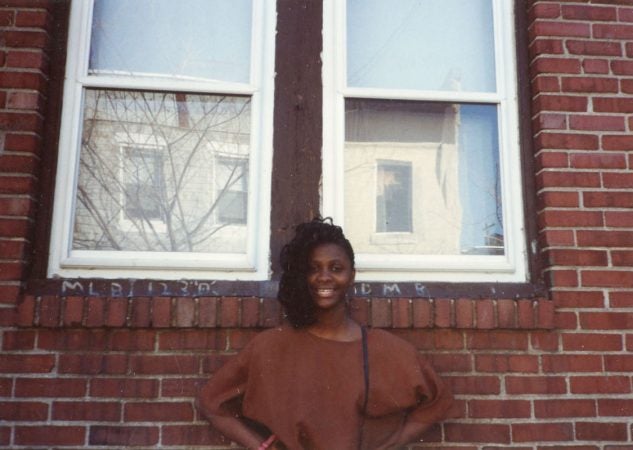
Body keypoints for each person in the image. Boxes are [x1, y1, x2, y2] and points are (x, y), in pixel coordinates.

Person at [197, 218, 453, 450]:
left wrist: (392, 443)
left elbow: (438, 402)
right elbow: (212, 402)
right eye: (313, 268)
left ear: (351, 275)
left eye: (336, 268)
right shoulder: (272, 346)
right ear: (301, 276)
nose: (324, 277)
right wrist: (261, 447)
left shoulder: (385, 348)